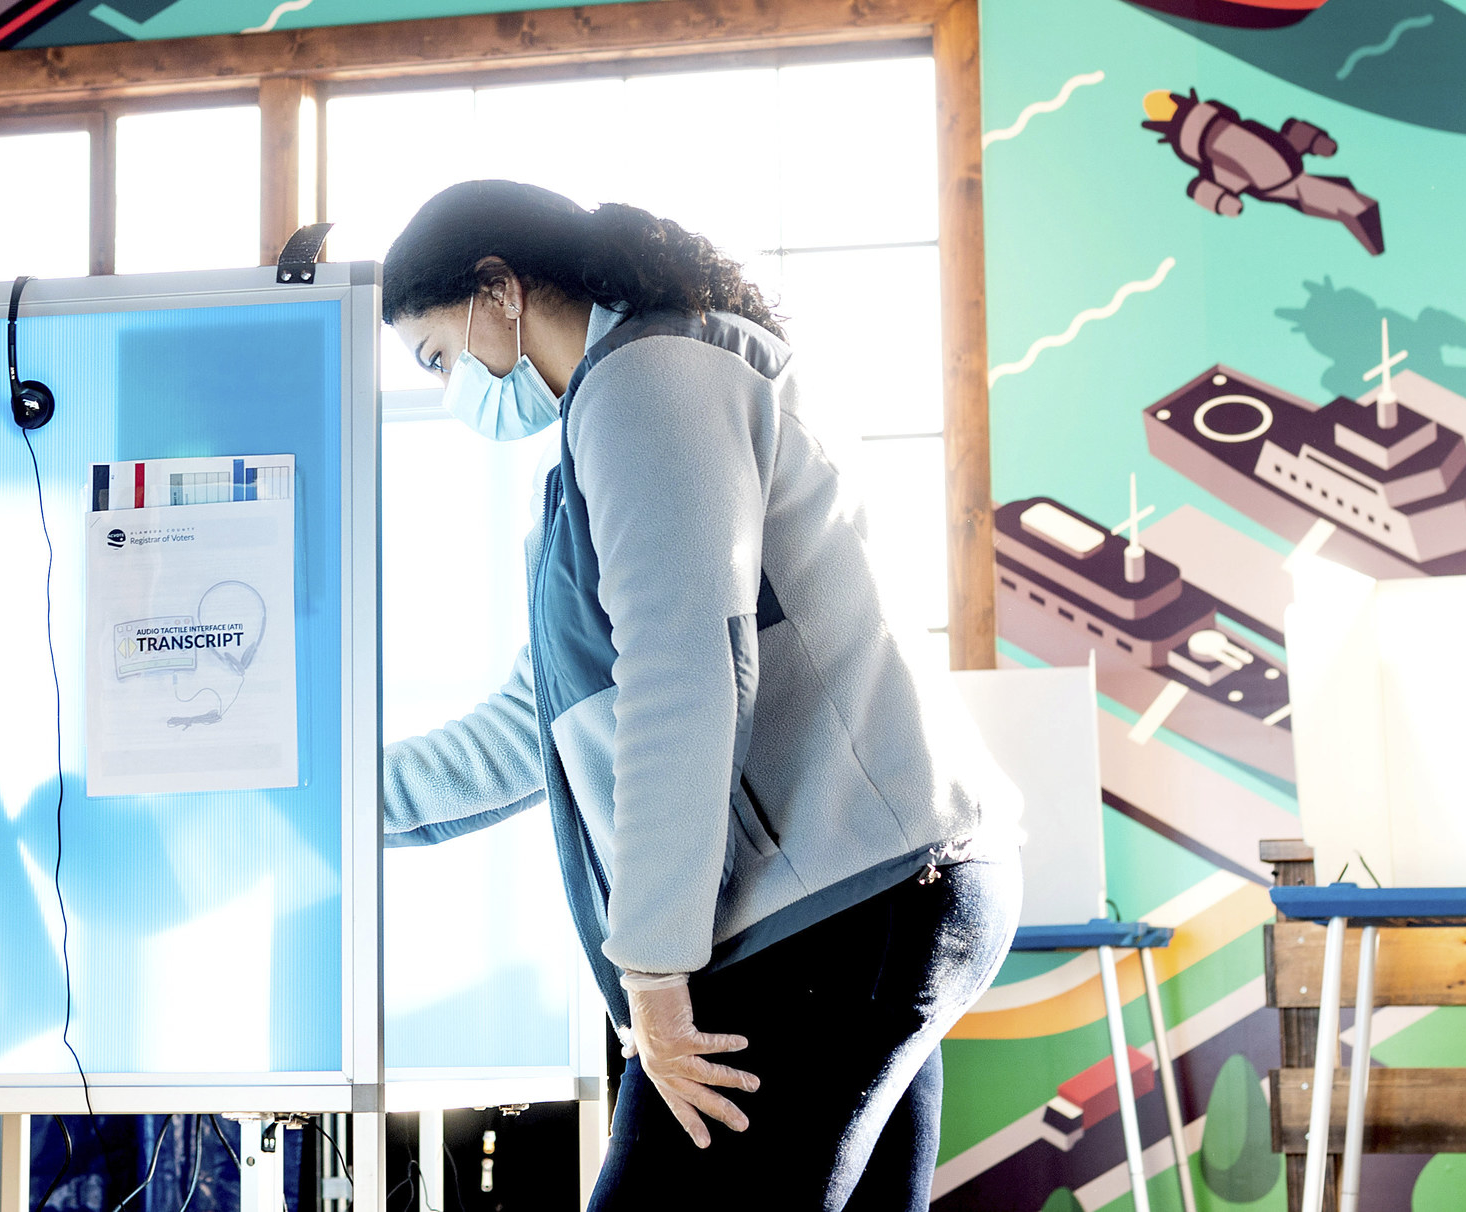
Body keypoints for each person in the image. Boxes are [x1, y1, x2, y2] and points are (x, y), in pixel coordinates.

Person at [379, 180, 1021, 1212]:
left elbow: (686, 675)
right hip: (880, 896)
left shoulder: (647, 378)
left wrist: (653, 971)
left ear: (496, 289)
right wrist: (336, 795)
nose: (452, 387)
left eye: (437, 356)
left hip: (837, 908)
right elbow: (532, 725)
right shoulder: (624, 414)